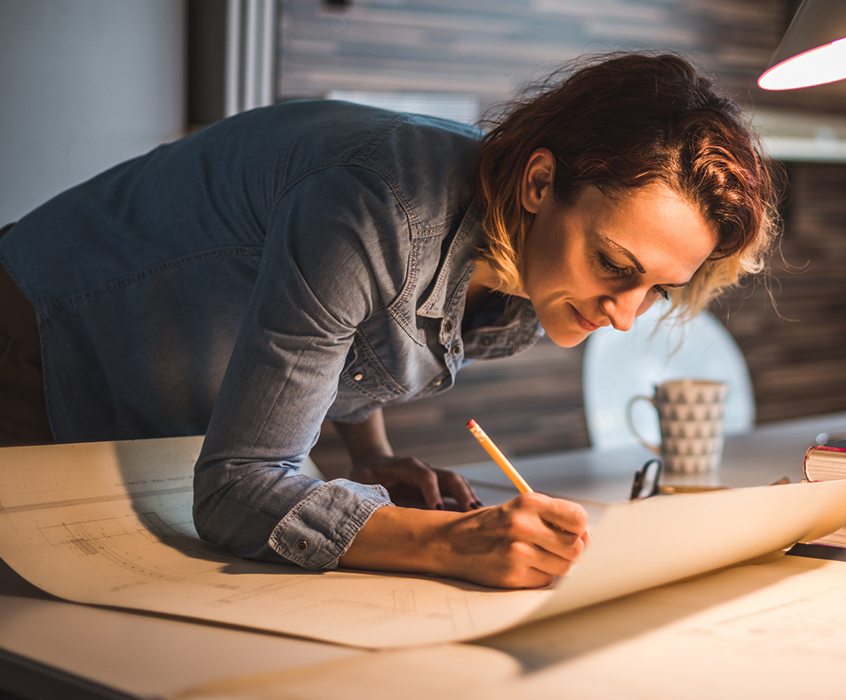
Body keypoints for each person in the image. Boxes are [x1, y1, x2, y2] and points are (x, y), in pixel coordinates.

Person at [0, 53, 778, 589]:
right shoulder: (373, 206)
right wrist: (447, 544)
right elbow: (236, 488)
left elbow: (336, 330)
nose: (622, 317)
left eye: (655, 290)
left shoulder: (526, 270)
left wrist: (368, 456)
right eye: (616, 265)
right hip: (33, 337)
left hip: (145, 386)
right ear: (542, 181)